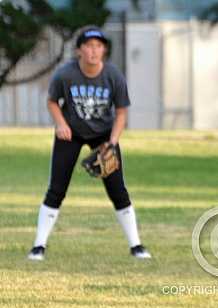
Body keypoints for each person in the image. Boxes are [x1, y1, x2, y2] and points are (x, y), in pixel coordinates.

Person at [28, 26, 151, 261]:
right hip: (71, 132)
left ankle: (136, 245)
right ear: (79, 50)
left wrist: (112, 143)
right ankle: (38, 246)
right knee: (57, 188)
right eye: (89, 46)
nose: (94, 51)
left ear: (104, 50)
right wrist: (60, 124)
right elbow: (53, 101)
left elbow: (122, 113)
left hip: (104, 134)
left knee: (117, 190)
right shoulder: (65, 74)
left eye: (98, 46)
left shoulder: (113, 76)